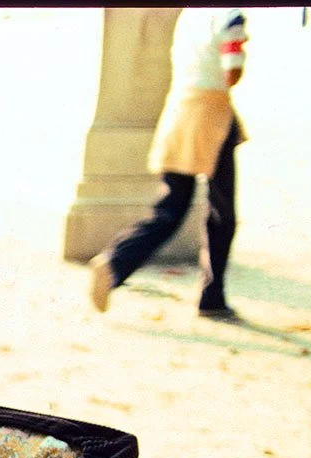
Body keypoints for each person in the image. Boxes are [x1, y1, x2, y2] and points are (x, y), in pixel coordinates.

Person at [88, 8, 248, 321]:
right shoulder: (231, 16)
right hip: (211, 116)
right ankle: (212, 296)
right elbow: (232, 71)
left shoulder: (190, 14)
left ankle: (114, 262)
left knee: (170, 208)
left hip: (179, 110)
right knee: (221, 214)